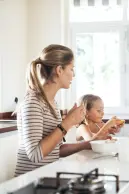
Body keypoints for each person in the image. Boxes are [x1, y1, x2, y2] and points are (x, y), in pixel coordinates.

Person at [15, 44, 94, 176]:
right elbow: (35, 154)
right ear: (59, 70)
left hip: (46, 179)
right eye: (71, 69)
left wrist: (87, 145)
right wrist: (67, 122)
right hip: (29, 184)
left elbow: (55, 150)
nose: (73, 75)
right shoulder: (33, 102)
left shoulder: (52, 103)